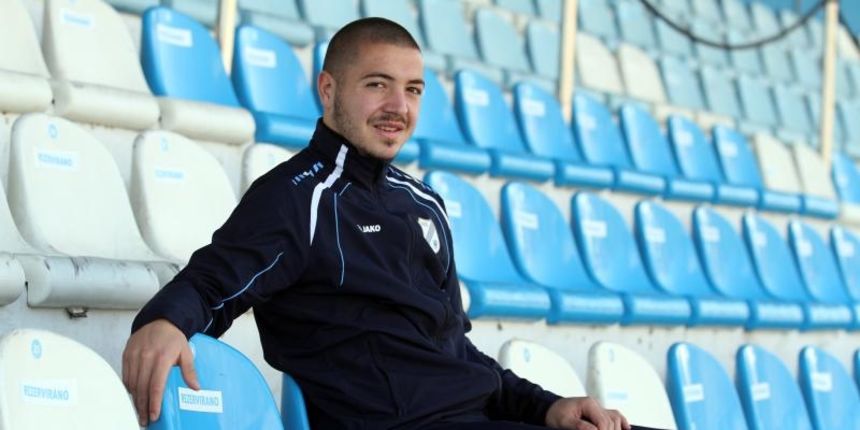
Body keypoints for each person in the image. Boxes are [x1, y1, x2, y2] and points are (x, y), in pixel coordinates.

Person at [122, 17, 631, 430]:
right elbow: (214, 283)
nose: (398, 107)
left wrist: (545, 407)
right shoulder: (298, 199)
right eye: (377, 85)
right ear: (328, 89)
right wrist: (165, 322)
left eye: (412, 90)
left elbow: (457, 351)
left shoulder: (423, 203)